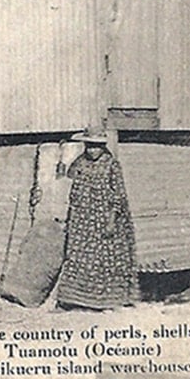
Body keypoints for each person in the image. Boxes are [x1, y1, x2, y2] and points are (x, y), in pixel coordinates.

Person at [56, 129, 139, 310]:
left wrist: (111, 221)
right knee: (78, 257)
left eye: (96, 147)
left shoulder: (111, 165)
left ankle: (106, 302)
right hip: (81, 222)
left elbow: (118, 196)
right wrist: (63, 156)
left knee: (103, 260)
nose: (92, 151)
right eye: (89, 146)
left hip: (103, 220)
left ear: (103, 147)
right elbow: (69, 175)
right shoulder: (81, 162)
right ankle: (74, 300)